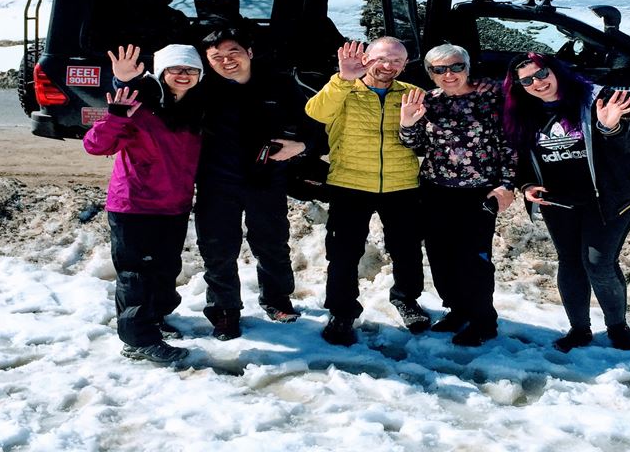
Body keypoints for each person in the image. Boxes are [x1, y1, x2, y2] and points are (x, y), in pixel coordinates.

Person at [110, 30, 311, 340]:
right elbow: (158, 99)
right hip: (216, 182)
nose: (226, 60)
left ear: (250, 52)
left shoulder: (280, 84)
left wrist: (302, 146)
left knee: (271, 244)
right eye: (216, 57)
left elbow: (318, 125)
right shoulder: (203, 90)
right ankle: (224, 311)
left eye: (233, 52)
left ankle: (277, 300)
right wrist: (125, 83)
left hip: (266, 179)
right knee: (218, 250)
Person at [502, 51, 630, 352]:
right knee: (569, 262)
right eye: (527, 80)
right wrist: (526, 185)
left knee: (598, 262)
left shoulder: (596, 99)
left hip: (608, 197)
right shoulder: (522, 113)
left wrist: (610, 127)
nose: (538, 83)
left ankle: (618, 328)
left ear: (555, 70)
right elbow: (520, 160)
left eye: (542, 74)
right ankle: (579, 330)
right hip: (559, 201)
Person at [84, 44, 204, 367]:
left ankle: (152, 319)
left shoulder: (195, 111)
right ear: (161, 73)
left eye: (190, 70)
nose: (183, 75)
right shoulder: (139, 106)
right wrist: (116, 114)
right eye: (175, 69)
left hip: (173, 207)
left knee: (164, 271)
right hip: (134, 207)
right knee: (136, 275)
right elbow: (95, 145)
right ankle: (138, 340)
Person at [304, 36, 429, 346]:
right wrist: (343, 78)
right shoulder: (345, 90)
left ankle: (407, 300)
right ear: (366, 58)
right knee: (344, 253)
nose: (388, 66)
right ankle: (342, 312)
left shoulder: (414, 94)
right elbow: (315, 112)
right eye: (381, 59)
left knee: (407, 249)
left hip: (402, 184)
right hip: (350, 184)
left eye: (397, 61)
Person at [398, 44, 516, 346]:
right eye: (439, 69)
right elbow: (416, 145)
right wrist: (407, 122)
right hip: (436, 189)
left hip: (479, 192)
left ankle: (483, 320)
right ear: (430, 73)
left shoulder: (492, 96)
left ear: (467, 67)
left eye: (456, 67)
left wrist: (507, 183)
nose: (448, 74)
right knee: (440, 255)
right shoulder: (429, 102)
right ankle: (457, 309)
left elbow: (509, 142)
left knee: (473, 258)